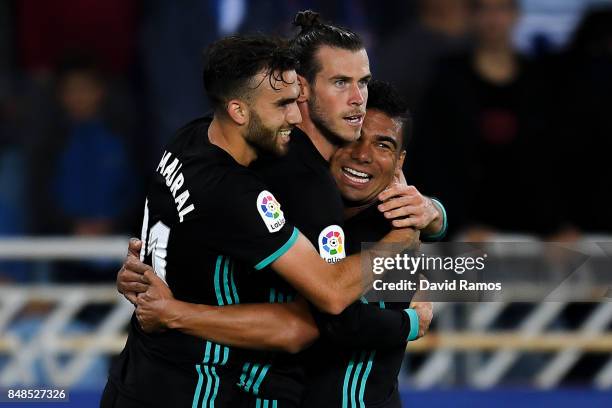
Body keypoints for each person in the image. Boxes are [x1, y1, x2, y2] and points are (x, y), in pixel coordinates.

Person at [102, 34, 418, 408]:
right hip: (203, 386)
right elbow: (317, 316)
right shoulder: (278, 186)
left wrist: (433, 222)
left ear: (401, 162)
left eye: (383, 145)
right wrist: (408, 245)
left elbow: (486, 273)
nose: (357, 102)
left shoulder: (191, 139)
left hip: (139, 379)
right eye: (339, 83)